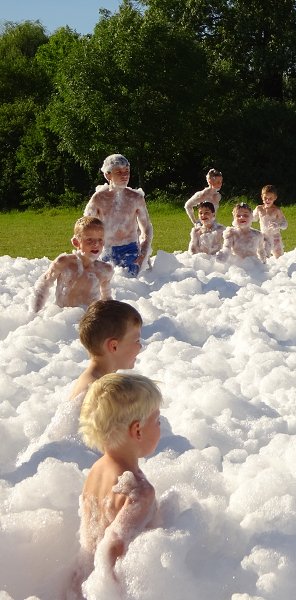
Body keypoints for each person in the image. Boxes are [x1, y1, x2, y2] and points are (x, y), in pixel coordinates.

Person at [17, 300, 143, 465]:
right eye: (136, 340)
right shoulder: (100, 389)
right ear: (113, 346)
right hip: (70, 462)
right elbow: (97, 448)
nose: (140, 347)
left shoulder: (95, 378)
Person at [75, 373, 161, 595]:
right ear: (137, 430)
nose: (160, 427)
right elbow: (115, 552)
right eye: (157, 421)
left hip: (82, 578)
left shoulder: (96, 469)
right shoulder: (140, 492)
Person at [84, 154, 153, 276]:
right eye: (119, 172)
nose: (124, 175)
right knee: (108, 283)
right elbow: (85, 228)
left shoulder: (136, 197)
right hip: (106, 249)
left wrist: (143, 253)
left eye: (127, 171)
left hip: (131, 249)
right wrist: (87, 255)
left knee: (130, 281)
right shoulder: (99, 199)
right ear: (108, 175)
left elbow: (146, 227)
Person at [31, 216, 114, 313]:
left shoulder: (105, 270)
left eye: (100, 239)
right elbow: (43, 286)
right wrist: (35, 313)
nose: (96, 244)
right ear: (76, 242)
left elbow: (107, 300)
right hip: (63, 316)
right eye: (89, 240)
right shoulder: (64, 263)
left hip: (89, 318)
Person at [254, 184, 288, 259]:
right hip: (264, 237)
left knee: (279, 257)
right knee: (264, 255)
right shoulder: (259, 209)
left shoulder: (277, 210)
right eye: (265, 198)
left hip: (275, 237)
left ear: (275, 198)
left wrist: (278, 225)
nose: (267, 200)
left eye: (270, 198)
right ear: (262, 197)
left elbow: (285, 224)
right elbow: (252, 219)